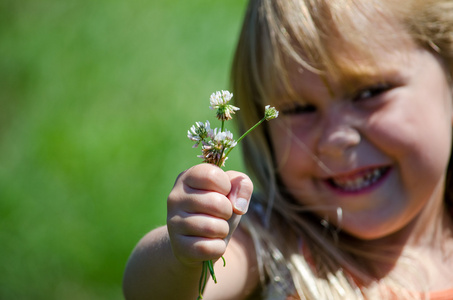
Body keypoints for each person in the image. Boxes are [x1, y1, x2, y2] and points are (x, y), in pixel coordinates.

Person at [123, 0, 453, 299]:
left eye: (371, 92)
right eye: (298, 109)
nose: (336, 140)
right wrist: (185, 252)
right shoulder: (270, 241)